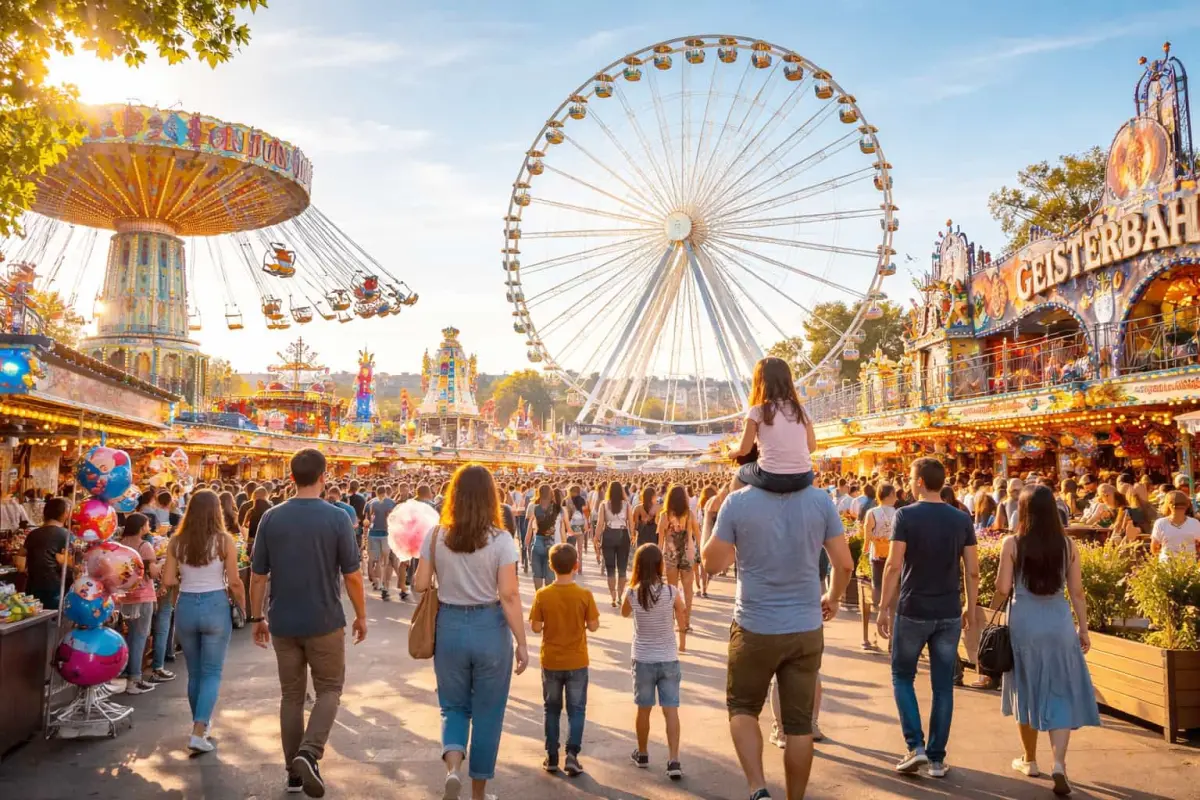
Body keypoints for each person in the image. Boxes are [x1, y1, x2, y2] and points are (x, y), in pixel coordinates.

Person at [703, 470, 855, 800]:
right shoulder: (819, 500)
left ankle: (758, 789)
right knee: (799, 724)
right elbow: (844, 565)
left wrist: (709, 516)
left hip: (754, 624)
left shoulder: (738, 502)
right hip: (805, 625)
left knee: (743, 708)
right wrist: (834, 597)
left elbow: (711, 563)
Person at [249, 448, 367, 798]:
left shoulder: (271, 517)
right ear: (323, 476)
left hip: (284, 620)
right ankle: (309, 753)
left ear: (291, 477)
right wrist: (361, 615)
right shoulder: (337, 518)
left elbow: (257, 576)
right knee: (330, 689)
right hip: (325, 619)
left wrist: (257, 617)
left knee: (291, 696)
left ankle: (293, 772)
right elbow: (353, 576)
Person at [413, 464, 527, 800]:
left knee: (453, 706)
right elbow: (508, 594)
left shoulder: (435, 535)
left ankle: (452, 770)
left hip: (448, 625)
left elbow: (420, 584)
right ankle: (479, 792)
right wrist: (522, 642)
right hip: (490, 627)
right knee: (489, 711)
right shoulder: (501, 539)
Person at [992, 485, 1100, 796]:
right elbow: (1077, 593)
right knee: (1060, 692)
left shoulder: (1012, 543)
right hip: (1059, 623)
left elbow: (1002, 587)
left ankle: (1029, 759)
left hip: (1024, 623)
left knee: (1026, 686)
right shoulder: (1067, 546)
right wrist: (1083, 628)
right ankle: (1059, 764)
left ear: (1022, 511)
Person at [877, 458, 979, 779]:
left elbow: (894, 566)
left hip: (913, 609)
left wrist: (883, 607)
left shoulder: (905, 515)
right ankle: (936, 758)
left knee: (902, 675)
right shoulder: (961, 519)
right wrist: (971, 607)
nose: (907, 483)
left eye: (910, 478)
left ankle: (915, 747)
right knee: (943, 687)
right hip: (948, 610)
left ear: (919, 481)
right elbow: (973, 570)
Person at [161, 489, 245, 754]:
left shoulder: (177, 542)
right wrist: (244, 608)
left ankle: (200, 725)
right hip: (215, 604)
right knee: (212, 672)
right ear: (216, 511)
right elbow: (233, 581)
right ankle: (199, 730)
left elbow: (167, 581)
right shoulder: (224, 541)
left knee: (195, 673)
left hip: (186, 604)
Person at [529, 543, 599, 777]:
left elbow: (536, 627)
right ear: (576, 565)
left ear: (550, 566)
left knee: (552, 709)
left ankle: (551, 755)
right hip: (577, 660)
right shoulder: (584, 595)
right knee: (576, 709)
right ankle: (572, 754)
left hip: (551, 660)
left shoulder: (542, 595)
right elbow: (594, 626)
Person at [622, 543, 688, 781]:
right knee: (671, 710)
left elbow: (623, 612)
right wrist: (682, 634)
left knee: (644, 709)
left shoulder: (633, 592)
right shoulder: (671, 592)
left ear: (638, 566)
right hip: (668, 657)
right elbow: (682, 611)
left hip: (643, 658)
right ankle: (673, 760)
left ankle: (642, 753)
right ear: (660, 565)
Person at [728, 356, 816, 493]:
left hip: (771, 476)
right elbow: (812, 447)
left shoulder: (757, 411)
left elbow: (744, 449)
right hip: (804, 477)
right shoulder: (802, 410)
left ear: (759, 382)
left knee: (740, 474)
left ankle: (737, 510)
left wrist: (732, 453)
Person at [115, 513, 160, 695]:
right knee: (139, 636)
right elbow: (152, 572)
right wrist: (161, 564)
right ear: (142, 527)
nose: (148, 527)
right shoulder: (144, 546)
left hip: (121, 596)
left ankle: (124, 672)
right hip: (142, 595)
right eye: (147, 524)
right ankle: (134, 677)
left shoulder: (119, 544)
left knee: (125, 636)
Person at [861, 483, 897, 652]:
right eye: (895, 494)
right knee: (894, 595)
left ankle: (878, 610)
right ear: (889, 495)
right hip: (894, 555)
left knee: (877, 586)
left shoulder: (872, 513)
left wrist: (865, 551)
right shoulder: (898, 513)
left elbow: (867, 536)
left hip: (876, 554)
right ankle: (891, 638)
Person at [657, 485, 697, 629]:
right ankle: (686, 622)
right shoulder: (690, 514)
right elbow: (697, 534)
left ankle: (672, 620)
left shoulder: (664, 515)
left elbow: (660, 540)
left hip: (670, 554)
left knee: (671, 589)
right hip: (687, 553)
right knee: (688, 589)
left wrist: (659, 558)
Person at [22, 496, 72, 610]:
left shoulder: (33, 534)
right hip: (56, 589)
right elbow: (70, 562)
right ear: (65, 514)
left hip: (33, 589)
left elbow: (20, 558)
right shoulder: (67, 535)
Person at [594, 481, 633, 608]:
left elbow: (600, 524)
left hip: (609, 535)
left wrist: (596, 538)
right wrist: (632, 536)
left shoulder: (604, 504)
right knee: (622, 568)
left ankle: (613, 596)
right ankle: (621, 596)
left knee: (610, 569)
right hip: (622, 535)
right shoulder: (627, 505)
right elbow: (631, 523)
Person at [525, 484, 563, 592]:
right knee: (549, 573)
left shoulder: (534, 507)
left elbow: (531, 526)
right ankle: (547, 596)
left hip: (538, 540)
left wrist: (527, 540)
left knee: (537, 573)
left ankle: (539, 596)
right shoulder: (557, 508)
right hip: (551, 542)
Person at [366, 486, 399, 600]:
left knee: (377, 560)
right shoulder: (391, 503)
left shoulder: (371, 502)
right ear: (386, 492)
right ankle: (385, 586)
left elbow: (366, 520)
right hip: (386, 534)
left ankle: (378, 582)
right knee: (386, 561)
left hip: (373, 533)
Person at [1150, 490, 1200, 560]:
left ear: (1168, 505)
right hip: (1189, 565)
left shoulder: (1160, 523)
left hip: (1166, 565)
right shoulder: (1194, 523)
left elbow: (1154, 548)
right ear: (1187, 505)